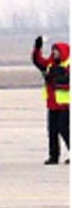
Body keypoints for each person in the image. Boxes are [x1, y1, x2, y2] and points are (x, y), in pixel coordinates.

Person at [31, 36, 70, 164]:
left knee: (64, 129)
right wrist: (37, 48)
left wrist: (56, 78)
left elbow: (67, 83)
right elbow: (38, 62)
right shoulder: (50, 63)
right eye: (53, 51)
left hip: (65, 104)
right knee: (52, 130)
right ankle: (54, 156)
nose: (54, 53)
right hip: (52, 104)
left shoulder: (68, 65)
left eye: (56, 51)